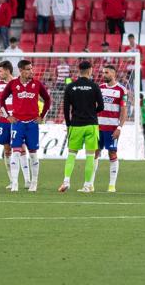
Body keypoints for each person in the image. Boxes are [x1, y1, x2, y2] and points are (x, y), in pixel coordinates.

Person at [3, 60, 52, 192]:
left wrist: (42, 116)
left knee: (33, 154)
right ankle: (14, 183)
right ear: (21, 71)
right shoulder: (13, 84)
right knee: (16, 153)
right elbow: (2, 100)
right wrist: (7, 115)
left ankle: (34, 183)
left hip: (32, 124)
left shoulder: (37, 84)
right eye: (28, 69)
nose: (32, 71)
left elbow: (47, 99)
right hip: (17, 123)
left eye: (32, 69)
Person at [58, 60, 104, 194]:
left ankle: (66, 180)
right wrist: (90, 112)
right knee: (90, 155)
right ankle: (87, 185)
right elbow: (101, 106)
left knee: (72, 154)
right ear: (90, 70)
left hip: (76, 124)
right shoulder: (94, 86)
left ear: (79, 71)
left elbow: (66, 108)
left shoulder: (71, 86)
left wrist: (68, 124)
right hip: (91, 125)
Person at [94, 64, 129, 189]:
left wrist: (119, 127)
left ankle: (112, 185)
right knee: (95, 153)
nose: (104, 75)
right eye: (103, 73)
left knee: (112, 153)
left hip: (112, 128)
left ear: (113, 74)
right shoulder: (99, 88)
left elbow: (124, 111)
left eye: (107, 73)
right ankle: (90, 184)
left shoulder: (121, 90)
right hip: (98, 127)